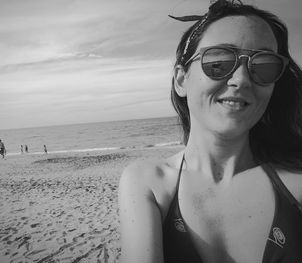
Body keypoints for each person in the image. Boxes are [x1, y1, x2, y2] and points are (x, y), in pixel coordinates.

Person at [118, 1, 302, 262]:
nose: (241, 79)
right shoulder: (149, 182)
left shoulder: (295, 184)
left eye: (264, 66)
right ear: (181, 80)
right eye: (218, 61)